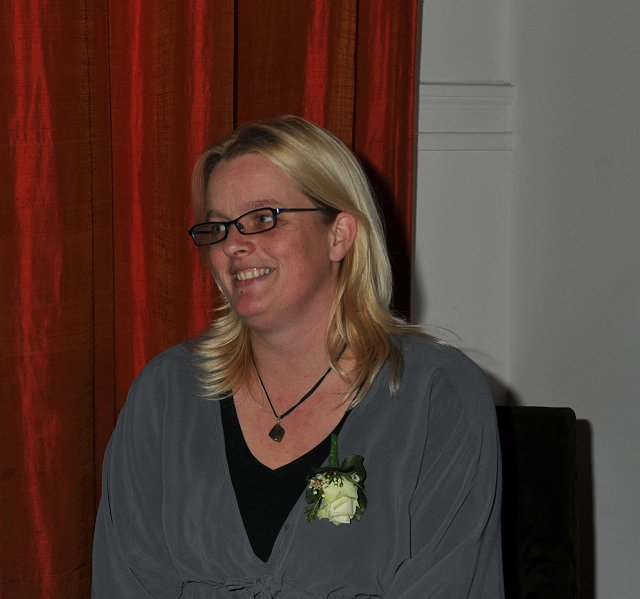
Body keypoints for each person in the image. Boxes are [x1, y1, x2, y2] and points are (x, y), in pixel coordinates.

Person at [92, 116, 504, 597]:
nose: (233, 244)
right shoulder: (168, 392)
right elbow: (125, 582)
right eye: (218, 227)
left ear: (339, 235)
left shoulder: (434, 394)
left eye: (263, 218)